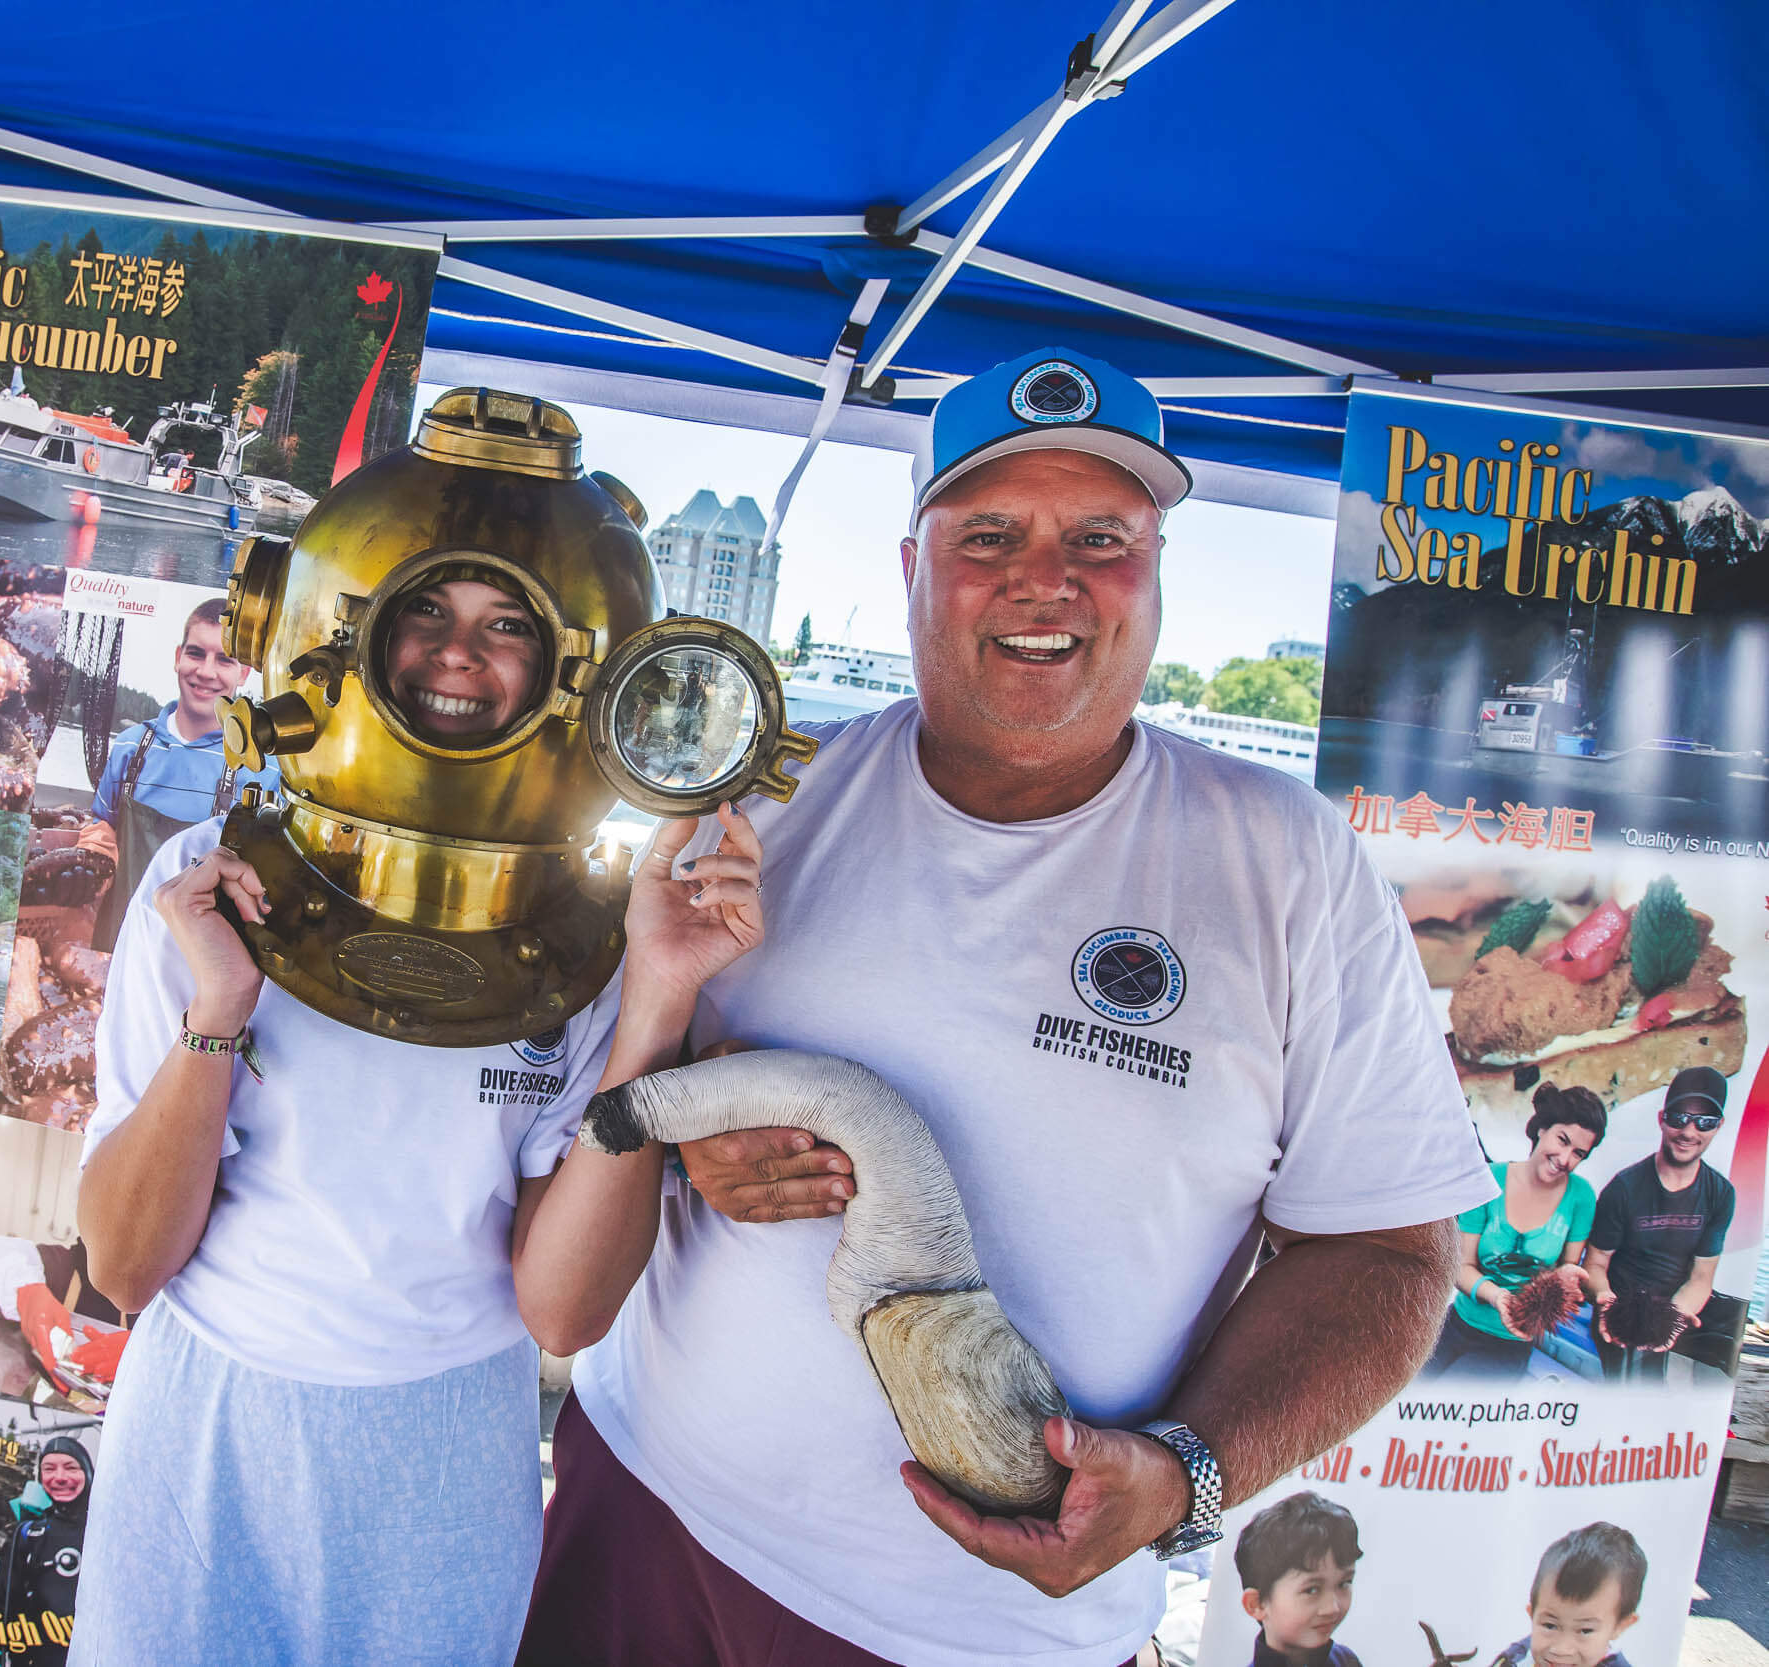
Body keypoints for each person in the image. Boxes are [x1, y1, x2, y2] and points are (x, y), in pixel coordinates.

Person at [519, 347, 1491, 1666]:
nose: (1047, 579)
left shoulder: (1290, 866)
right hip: (645, 1510)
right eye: (988, 533)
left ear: (1155, 574)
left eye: (1103, 535)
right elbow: (633, 1104)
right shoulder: (760, 805)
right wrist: (691, 1138)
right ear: (914, 566)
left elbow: (1389, 1256)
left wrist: (1185, 1469)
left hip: (982, 1629)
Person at [68, 566, 769, 1667]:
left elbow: (566, 1311)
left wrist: (656, 1001)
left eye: (505, 627)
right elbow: (120, 1263)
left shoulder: (588, 939)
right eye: (428, 614)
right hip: (206, 1420)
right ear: (360, 636)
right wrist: (219, 1007)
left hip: (444, 1444)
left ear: (563, 670)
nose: (458, 653)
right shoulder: (210, 885)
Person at [88, 597, 279, 945]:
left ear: (244, 673)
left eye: (224, 659)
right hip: (122, 946)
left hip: (202, 966)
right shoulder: (130, 747)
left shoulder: (266, 771)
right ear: (177, 658)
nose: (206, 671)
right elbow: (100, 830)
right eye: (195, 653)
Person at [1424, 1084, 1605, 1377]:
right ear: (1542, 1129)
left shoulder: (1581, 1197)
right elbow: (1461, 1266)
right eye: (1562, 1140)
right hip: (1457, 1324)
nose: (1565, 1159)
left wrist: (1566, 1279)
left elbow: (1568, 1266)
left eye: (1579, 1153)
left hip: (1511, 1342)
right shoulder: (1489, 1181)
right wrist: (1498, 1297)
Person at [1583, 1066, 1743, 1379]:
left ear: (1719, 1126)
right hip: (1617, 1312)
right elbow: (1596, 1264)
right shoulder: (1623, 1188)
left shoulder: (1720, 1194)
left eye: (1705, 1121)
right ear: (1661, 1119)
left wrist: (1677, 1314)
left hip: (1672, 1315)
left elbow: (1701, 1276)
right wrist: (1603, 1298)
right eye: (1679, 1117)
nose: (1690, 1131)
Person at [0, 1437, 93, 1667]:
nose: (60, 1477)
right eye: (49, 1469)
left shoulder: (107, 1533)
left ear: (88, 1472)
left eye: (71, 1468)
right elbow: (2, 1600)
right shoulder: (30, 1533)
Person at [1488, 1522, 1645, 1667]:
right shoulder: (1515, 1660)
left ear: (1621, 1625)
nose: (1561, 1649)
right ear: (1532, 1613)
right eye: (1550, 1626)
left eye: (1585, 1630)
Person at [1234, 1492, 1362, 1667]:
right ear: (1256, 1604)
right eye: (1312, 1590)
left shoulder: (1345, 1660)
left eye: (1344, 1583)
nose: (1332, 1608)